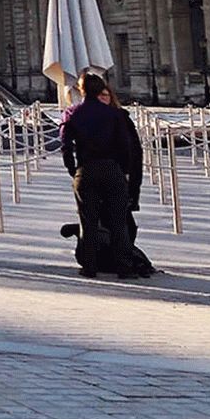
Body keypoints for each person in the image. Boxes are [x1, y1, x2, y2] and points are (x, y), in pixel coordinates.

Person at [60, 73, 141, 278]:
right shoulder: (114, 115)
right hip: (112, 169)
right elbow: (125, 147)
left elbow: (65, 146)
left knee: (88, 220)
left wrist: (73, 170)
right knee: (118, 221)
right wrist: (122, 170)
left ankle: (90, 266)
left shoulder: (72, 113)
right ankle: (124, 266)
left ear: (81, 90)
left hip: (86, 170)